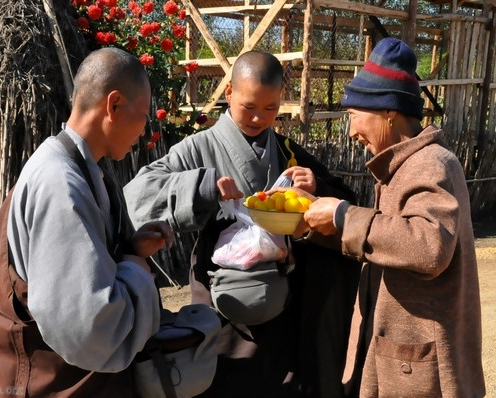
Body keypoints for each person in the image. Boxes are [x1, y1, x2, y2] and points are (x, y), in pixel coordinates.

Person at [124, 50, 361, 397]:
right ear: (230, 93)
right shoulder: (197, 149)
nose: (258, 118)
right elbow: (138, 196)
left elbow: (345, 202)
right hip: (223, 306)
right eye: (249, 107)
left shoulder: (286, 151)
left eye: (270, 109)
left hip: (283, 303)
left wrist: (316, 187)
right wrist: (202, 187)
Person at [289, 37, 486, 398]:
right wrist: (312, 220)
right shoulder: (404, 167)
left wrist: (343, 216)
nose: (351, 131)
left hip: (418, 371)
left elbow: (428, 246)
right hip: (400, 359)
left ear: (388, 111)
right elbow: (385, 241)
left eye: (352, 116)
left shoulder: (431, 164)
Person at [0, 48, 175, 397]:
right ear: (113, 106)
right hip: (48, 382)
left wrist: (130, 249)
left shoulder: (81, 166)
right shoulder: (60, 182)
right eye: (143, 115)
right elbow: (92, 330)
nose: (144, 131)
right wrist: (134, 267)